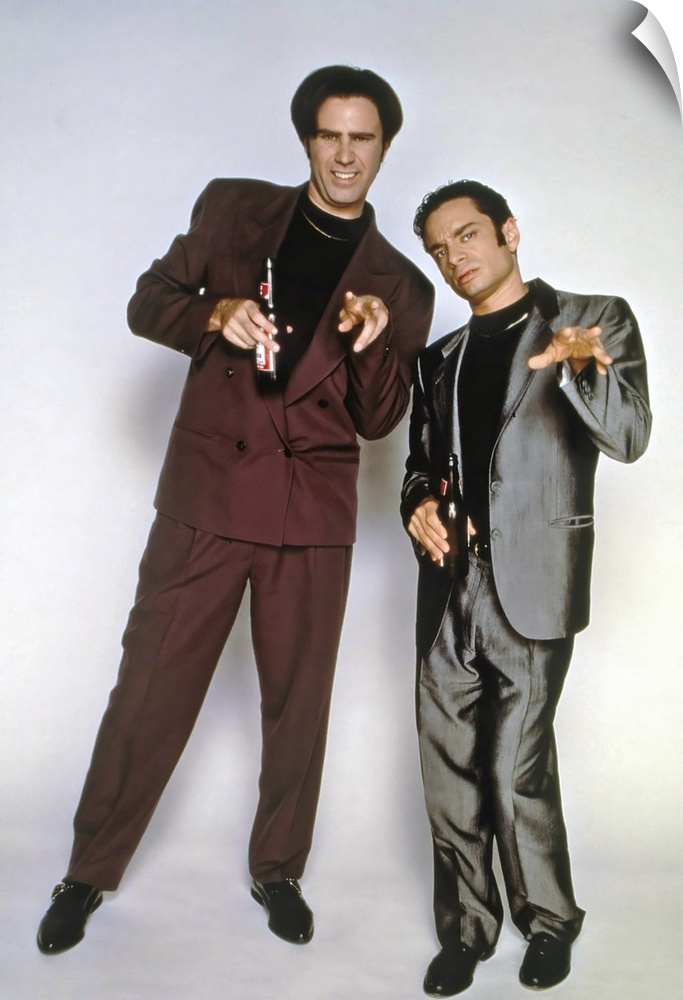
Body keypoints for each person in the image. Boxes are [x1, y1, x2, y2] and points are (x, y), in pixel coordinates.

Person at [36, 65, 434, 956]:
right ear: (306, 141)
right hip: (207, 499)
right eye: (329, 136)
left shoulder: (402, 286)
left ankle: (278, 870)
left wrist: (372, 343)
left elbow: (379, 420)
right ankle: (87, 870)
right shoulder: (231, 210)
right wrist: (216, 312)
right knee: (149, 689)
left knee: (299, 706)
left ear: (383, 148)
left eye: (362, 139)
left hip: (311, 517)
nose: (344, 155)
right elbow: (147, 301)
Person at [401, 179, 651, 995]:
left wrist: (579, 366)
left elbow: (629, 437)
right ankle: (467, 931)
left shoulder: (592, 319)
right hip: (447, 588)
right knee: (448, 772)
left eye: (467, 235)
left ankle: (548, 922)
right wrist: (415, 506)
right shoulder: (437, 359)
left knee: (513, 769)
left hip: (533, 584)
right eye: (438, 249)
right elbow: (418, 465)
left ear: (508, 231)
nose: (454, 257)